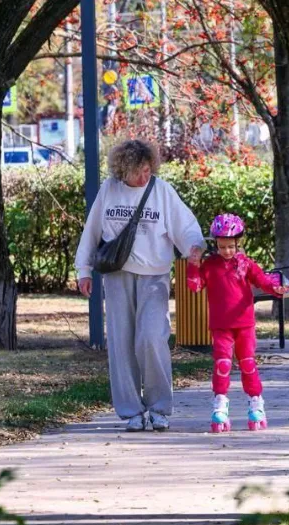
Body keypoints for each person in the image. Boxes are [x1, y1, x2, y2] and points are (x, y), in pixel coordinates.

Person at [75, 140, 205, 433]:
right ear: (123, 171)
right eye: (137, 172)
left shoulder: (161, 191)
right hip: (117, 276)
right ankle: (131, 411)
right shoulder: (109, 189)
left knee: (151, 338)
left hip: (154, 277)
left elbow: (184, 226)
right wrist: (83, 270)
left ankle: (160, 407)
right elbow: (91, 230)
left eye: (147, 170)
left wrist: (194, 247)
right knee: (121, 344)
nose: (144, 177)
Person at [186, 214, 288, 433]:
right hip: (221, 324)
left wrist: (276, 288)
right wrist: (193, 264)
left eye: (231, 246)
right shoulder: (210, 265)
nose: (227, 251)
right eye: (222, 247)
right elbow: (195, 286)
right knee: (222, 364)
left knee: (248, 364)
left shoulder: (245, 263)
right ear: (216, 244)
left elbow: (263, 280)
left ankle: (256, 403)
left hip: (244, 324)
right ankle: (220, 404)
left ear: (238, 243)